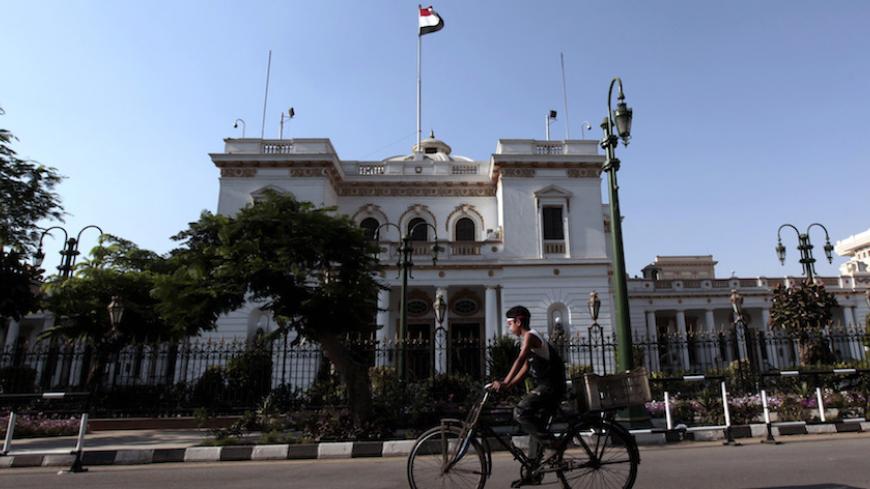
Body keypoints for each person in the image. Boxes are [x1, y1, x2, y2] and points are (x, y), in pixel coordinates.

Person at [491, 305, 566, 486]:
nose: (509, 328)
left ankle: (553, 445)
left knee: (520, 412)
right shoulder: (529, 338)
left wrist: (503, 381)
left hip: (551, 386)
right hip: (548, 386)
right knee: (535, 425)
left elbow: (520, 359)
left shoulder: (530, 336)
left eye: (510, 324)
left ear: (518, 321)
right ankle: (534, 473)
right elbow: (525, 369)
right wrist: (508, 384)